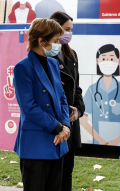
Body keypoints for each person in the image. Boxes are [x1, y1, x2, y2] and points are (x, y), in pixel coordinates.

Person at [13, 18, 70, 191]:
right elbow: (29, 107)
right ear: (41, 41)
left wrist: (66, 125)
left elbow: (62, 98)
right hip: (36, 143)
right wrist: (58, 127)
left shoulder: (53, 63)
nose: (58, 45)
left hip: (58, 141)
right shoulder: (23, 67)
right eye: (55, 41)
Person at [50, 11, 85, 191]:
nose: (69, 34)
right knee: (56, 171)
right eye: (66, 29)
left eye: (71, 29)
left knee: (68, 171)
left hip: (72, 121)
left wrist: (79, 109)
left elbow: (77, 87)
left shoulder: (72, 55)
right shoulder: (48, 55)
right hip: (56, 122)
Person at [81, 44, 120, 146]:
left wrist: (117, 141)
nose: (107, 62)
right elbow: (83, 119)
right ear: (97, 61)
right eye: (104, 59)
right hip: (97, 142)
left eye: (111, 59)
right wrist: (101, 141)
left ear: (118, 62)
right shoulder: (91, 89)